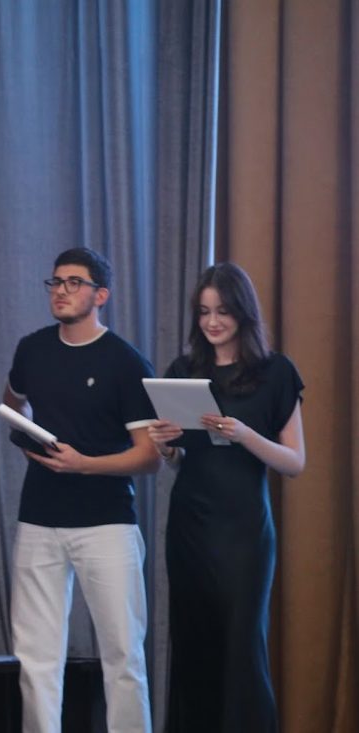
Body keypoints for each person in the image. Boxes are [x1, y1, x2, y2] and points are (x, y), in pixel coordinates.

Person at [3, 247, 160, 733]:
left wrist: (83, 465)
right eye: (55, 282)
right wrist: (28, 437)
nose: (61, 291)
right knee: (35, 656)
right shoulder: (32, 349)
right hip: (38, 518)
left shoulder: (126, 362)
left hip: (106, 523)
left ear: (101, 295)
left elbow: (149, 457)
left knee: (123, 655)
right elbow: (12, 403)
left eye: (74, 283)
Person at [147, 263, 305, 732]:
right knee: (194, 649)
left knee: (242, 651)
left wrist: (243, 434)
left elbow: (294, 462)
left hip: (244, 533)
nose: (212, 321)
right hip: (190, 529)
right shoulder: (184, 372)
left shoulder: (276, 372)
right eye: (203, 312)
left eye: (222, 311)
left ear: (243, 312)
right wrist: (165, 446)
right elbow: (180, 460)